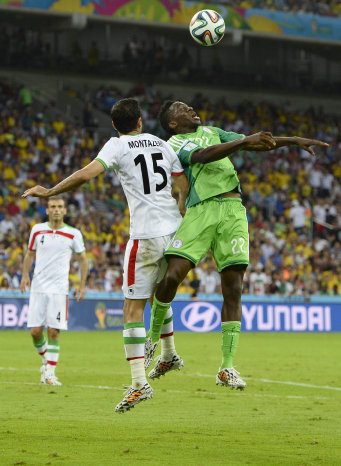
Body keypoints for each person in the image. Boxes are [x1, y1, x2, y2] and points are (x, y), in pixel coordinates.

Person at [145, 100, 329, 390]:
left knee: (233, 289)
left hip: (232, 211)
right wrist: (244, 140)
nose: (191, 109)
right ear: (172, 123)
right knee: (170, 277)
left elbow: (258, 144)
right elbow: (202, 157)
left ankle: (226, 367)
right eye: (183, 109)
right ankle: (153, 343)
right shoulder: (174, 142)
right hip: (200, 211)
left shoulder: (215, 131)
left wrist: (293, 140)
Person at [22, 98, 189, 413]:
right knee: (160, 295)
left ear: (115, 125)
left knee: (131, 310)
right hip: (174, 232)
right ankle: (169, 353)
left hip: (146, 235)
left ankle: (139, 384)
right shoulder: (162, 144)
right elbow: (182, 184)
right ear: (140, 120)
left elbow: (86, 175)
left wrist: (49, 192)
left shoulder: (117, 145)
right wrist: (177, 212)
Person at [20, 197, 88, 386]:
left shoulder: (73, 234)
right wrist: (25, 275)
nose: (56, 210)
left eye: (59, 207)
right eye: (52, 207)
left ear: (65, 211)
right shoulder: (37, 230)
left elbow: (83, 259)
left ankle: (50, 373)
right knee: (35, 332)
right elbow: (29, 254)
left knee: (54, 331)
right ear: (47, 210)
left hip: (59, 289)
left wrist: (82, 284)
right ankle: (45, 362)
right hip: (38, 287)